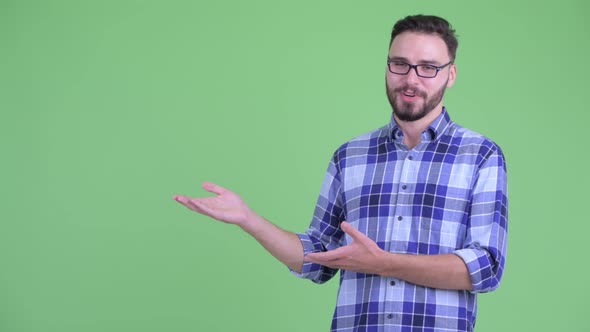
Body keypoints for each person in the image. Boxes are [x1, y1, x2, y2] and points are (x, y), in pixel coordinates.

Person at [174, 14, 508, 332]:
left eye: (428, 68)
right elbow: (318, 258)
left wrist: (384, 262)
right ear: (388, 66)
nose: (411, 78)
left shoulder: (480, 155)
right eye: (400, 64)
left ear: (451, 74)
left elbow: (485, 268)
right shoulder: (350, 156)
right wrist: (248, 219)